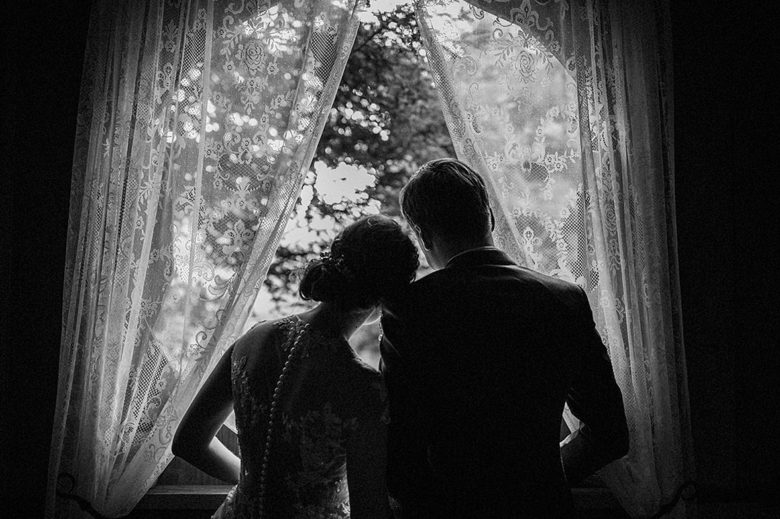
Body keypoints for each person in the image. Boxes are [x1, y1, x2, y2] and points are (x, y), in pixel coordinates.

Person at [380, 158, 629, 518]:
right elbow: (610, 433)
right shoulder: (563, 298)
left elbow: (401, 457)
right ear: (490, 216)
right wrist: (543, 476)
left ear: (423, 235)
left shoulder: (410, 310)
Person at [173, 215, 419, 519]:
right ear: (387, 296)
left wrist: (253, 482)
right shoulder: (360, 386)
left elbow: (188, 443)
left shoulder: (252, 339)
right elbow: (370, 511)